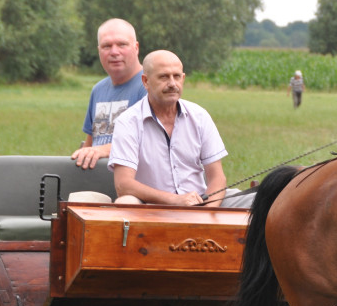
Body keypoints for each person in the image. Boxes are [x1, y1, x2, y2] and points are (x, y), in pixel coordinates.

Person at [108, 50, 252, 208]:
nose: (172, 84)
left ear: (183, 79)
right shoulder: (128, 122)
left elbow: (217, 178)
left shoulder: (199, 116)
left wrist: (208, 211)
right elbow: (124, 185)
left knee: (258, 201)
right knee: (126, 203)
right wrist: (175, 200)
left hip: (201, 201)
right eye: (163, 77)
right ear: (146, 81)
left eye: (176, 76)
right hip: (151, 207)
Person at [71, 18, 145, 169]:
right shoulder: (98, 90)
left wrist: (103, 150)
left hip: (134, 185)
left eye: (122, 44)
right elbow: (90, 143)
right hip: (96, 180)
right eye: (107, 46)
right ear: (99, 51)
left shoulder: (149, 86)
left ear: (136, 47)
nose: (114, 52)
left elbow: (150, 143)